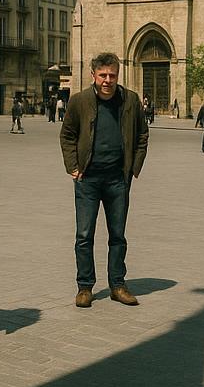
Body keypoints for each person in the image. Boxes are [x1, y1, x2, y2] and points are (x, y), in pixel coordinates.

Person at [60, 52, 149, 309]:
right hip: (87, 179)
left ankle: (118, 285)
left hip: (117, 179)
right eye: (103, 75)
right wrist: (73, 167)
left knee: (118, 235)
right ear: (93, 76)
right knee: (84, 235)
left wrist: (134, 167)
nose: (107, 80)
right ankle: (85, 287)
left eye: (112, 75)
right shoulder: (79, 101)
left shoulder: (129, 100)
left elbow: (142, 134)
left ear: (117, 75)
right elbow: (67, 135)